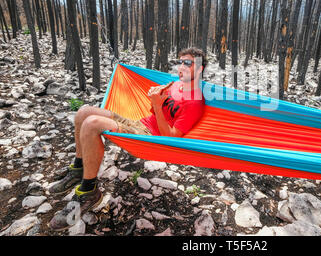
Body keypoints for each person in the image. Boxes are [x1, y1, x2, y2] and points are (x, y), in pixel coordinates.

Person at [48, 47, 207, 231]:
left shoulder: (195, 102)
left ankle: (88, 191)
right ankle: (78, 168)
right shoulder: (175, 86)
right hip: (138, 124)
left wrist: (157, 104)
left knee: (92, 124)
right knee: (83, 112)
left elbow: (169, 137)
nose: (182, 67)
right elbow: (154, 112)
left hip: (150, 137)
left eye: (188, 63)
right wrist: (154, 99)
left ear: (200, 69)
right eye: (181, 62)